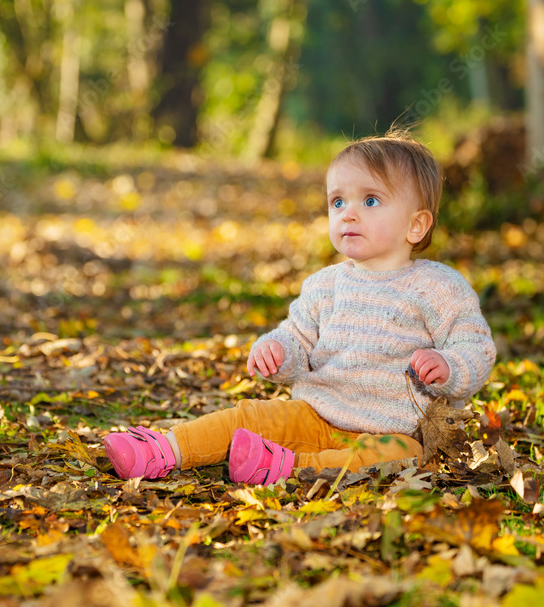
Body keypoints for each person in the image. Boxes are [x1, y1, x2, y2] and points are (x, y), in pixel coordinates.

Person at [103, 131, 497, 486]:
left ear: (416, 226)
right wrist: (279, 353)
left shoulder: (439, 287)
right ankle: (165, 449)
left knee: (398, 458)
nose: (349, 213)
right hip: (314, 413)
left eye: (370, 200)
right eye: (337, 201)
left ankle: (287, 467)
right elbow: (297, 338)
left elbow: (474, 347)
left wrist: (449, 367)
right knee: (250, 415)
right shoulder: (325, 286)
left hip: (393, 432)